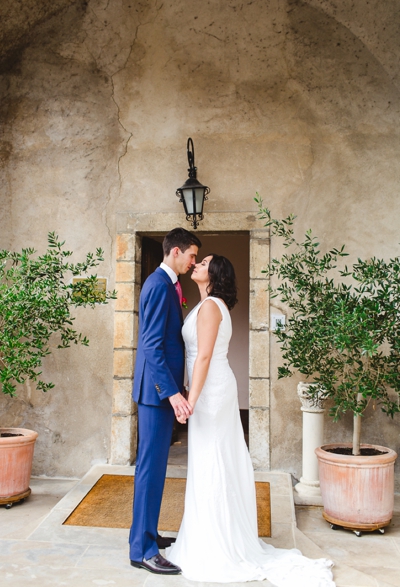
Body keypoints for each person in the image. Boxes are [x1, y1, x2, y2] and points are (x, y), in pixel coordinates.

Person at [166, 255, 334, 586]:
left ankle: (216, 545)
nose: (197, 264)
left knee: (212, 461)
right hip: (211, 387)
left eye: (204, 263)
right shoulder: (211, 305)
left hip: (211, 392)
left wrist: (191, 400)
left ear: (214, 275)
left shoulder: (212, 306)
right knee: (209, 461)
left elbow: (202, 356)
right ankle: (208, 537)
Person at [129, 227, 200, 575]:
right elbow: (152, 345)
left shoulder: (169, 285)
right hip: (156, 392)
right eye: (191, 255)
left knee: (156, 468)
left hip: (160, 390)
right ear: (175, 252)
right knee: (150, 467)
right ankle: (142, 550)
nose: (194, 262)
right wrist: (172, 393)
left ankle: (149, 534)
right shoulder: (159, 285)